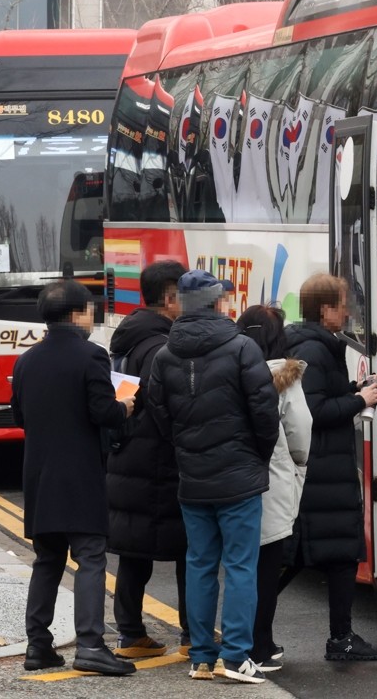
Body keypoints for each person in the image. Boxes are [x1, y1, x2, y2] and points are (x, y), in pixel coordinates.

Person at [147, 270, 281, 684]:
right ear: (216, 302)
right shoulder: (241, 347)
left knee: (201, 564)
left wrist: (186, 451)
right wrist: (254, 458)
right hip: (239, 476)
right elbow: (265, 413)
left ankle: (202, 657)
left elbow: (160, 417)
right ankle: (237, 655)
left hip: (193, 478)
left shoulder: (165, 355)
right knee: (241, 566)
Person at [11, 280, 137, 676]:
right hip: (80, 474)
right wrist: (127, 405)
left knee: (47, 559)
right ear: (78, 313)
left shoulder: (26, 360)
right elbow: (103, 412)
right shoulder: (91, 356)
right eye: (89, 311)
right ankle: (90, 644)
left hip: (40, 475)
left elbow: (20, 417)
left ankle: (38, 645)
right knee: (90, 558)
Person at [283, 273, 377, 661]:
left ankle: (257, 634)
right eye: (342, 304)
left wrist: (356, 392)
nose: (347, 311)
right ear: (326, 309)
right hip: (323, 469)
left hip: (324, 468)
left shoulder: (314, 344)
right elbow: (313, 410)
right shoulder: (313, 349)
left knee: (321, 555)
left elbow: (323, 396)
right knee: (331, 554)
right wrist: (359, 401)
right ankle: (338, 639)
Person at [106, 259, 189, 659]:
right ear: (171, 298)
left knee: (134, 550)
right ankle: (195, 635)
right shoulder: (161, 348)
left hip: (129, 458)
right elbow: (166, 411)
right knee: (193, 550)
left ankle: (131, 634)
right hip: (160, 463)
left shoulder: (128, 338)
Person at [236, 304, 311, 671]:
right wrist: (298, 467)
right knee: (266, 567)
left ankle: (209, 643)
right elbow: (300, 431)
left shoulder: (226, 368)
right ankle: (260, 645)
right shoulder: (285, 376)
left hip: (227, 480)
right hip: (272, 480)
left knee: (231, 565)